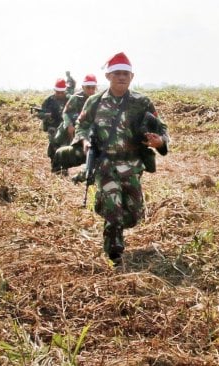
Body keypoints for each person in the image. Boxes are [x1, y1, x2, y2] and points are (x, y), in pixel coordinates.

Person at [72, 51, 169, 268]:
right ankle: (114, 253)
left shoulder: (142, 102)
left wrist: (159, 142)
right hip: (106, 164)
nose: (121, 77)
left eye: (125, 73)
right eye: (116, 73)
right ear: (108, 76)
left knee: (134, 215)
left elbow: (161, 128)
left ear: (132, 77)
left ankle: (109, 216)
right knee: (114, 211)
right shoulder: (94, 102)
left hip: (133, 165)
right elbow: (82, 125)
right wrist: (85, 140)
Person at [52, 73, 98, 176]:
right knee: (57, 141)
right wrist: (69, 125)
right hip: (75, 126)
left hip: (91, 129)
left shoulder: (99, 99)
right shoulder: (76, 98)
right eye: (88, 87)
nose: (90, 90)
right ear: (82, 87)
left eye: (93, 88)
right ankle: (59, 171)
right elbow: (65, 112)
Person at [38, 78, 69, 171]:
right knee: (54, 146)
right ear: (55, 90)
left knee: (65, 148)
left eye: (62, 92)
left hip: (65, 127)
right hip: (53, 127)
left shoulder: (70, 99)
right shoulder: (48, 101)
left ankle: (64, 168)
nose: (60, 94)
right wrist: (46, 115)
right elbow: (40, 114)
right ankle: (55, 167)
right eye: (58, 92)